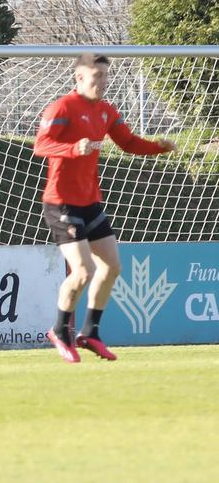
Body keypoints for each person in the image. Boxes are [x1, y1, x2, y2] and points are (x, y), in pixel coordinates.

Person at [35, 53, 175, 363]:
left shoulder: (106, 110)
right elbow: (41, 145)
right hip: (60, 202)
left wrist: (158, 147)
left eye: (105, 76)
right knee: (83, 271)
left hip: (90, 201)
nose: (102, 82)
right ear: (80, 78)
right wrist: (73, 148)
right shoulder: (63, 107)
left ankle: (90, 333)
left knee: (112, 266)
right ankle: (60, 330)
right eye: (96, 76)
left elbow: (128, 143)